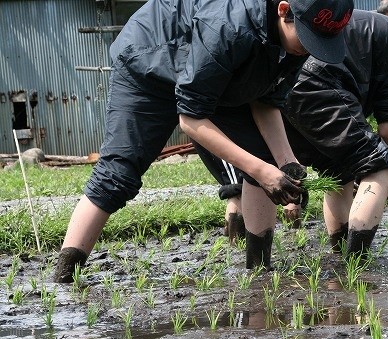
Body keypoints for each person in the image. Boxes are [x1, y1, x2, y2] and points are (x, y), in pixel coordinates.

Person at [52, 0, 354, 282]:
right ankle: (65, 276)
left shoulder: (292, 45)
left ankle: (260, 270)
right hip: (148, 64)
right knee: (118, 175)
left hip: (212, 74)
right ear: (284, 10)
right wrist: (262, 172)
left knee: (266, 160)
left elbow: (266, 99)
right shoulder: (229, 26)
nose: (308, 49)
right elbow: (191, 120)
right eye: (307, 38)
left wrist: (286, 162)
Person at [283, 11, 388, 257]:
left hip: (288, 86)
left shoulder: (386, 34)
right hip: (323, 86)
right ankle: (357, 263)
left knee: (338, 173)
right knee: (380, 166)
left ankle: (341, 256)